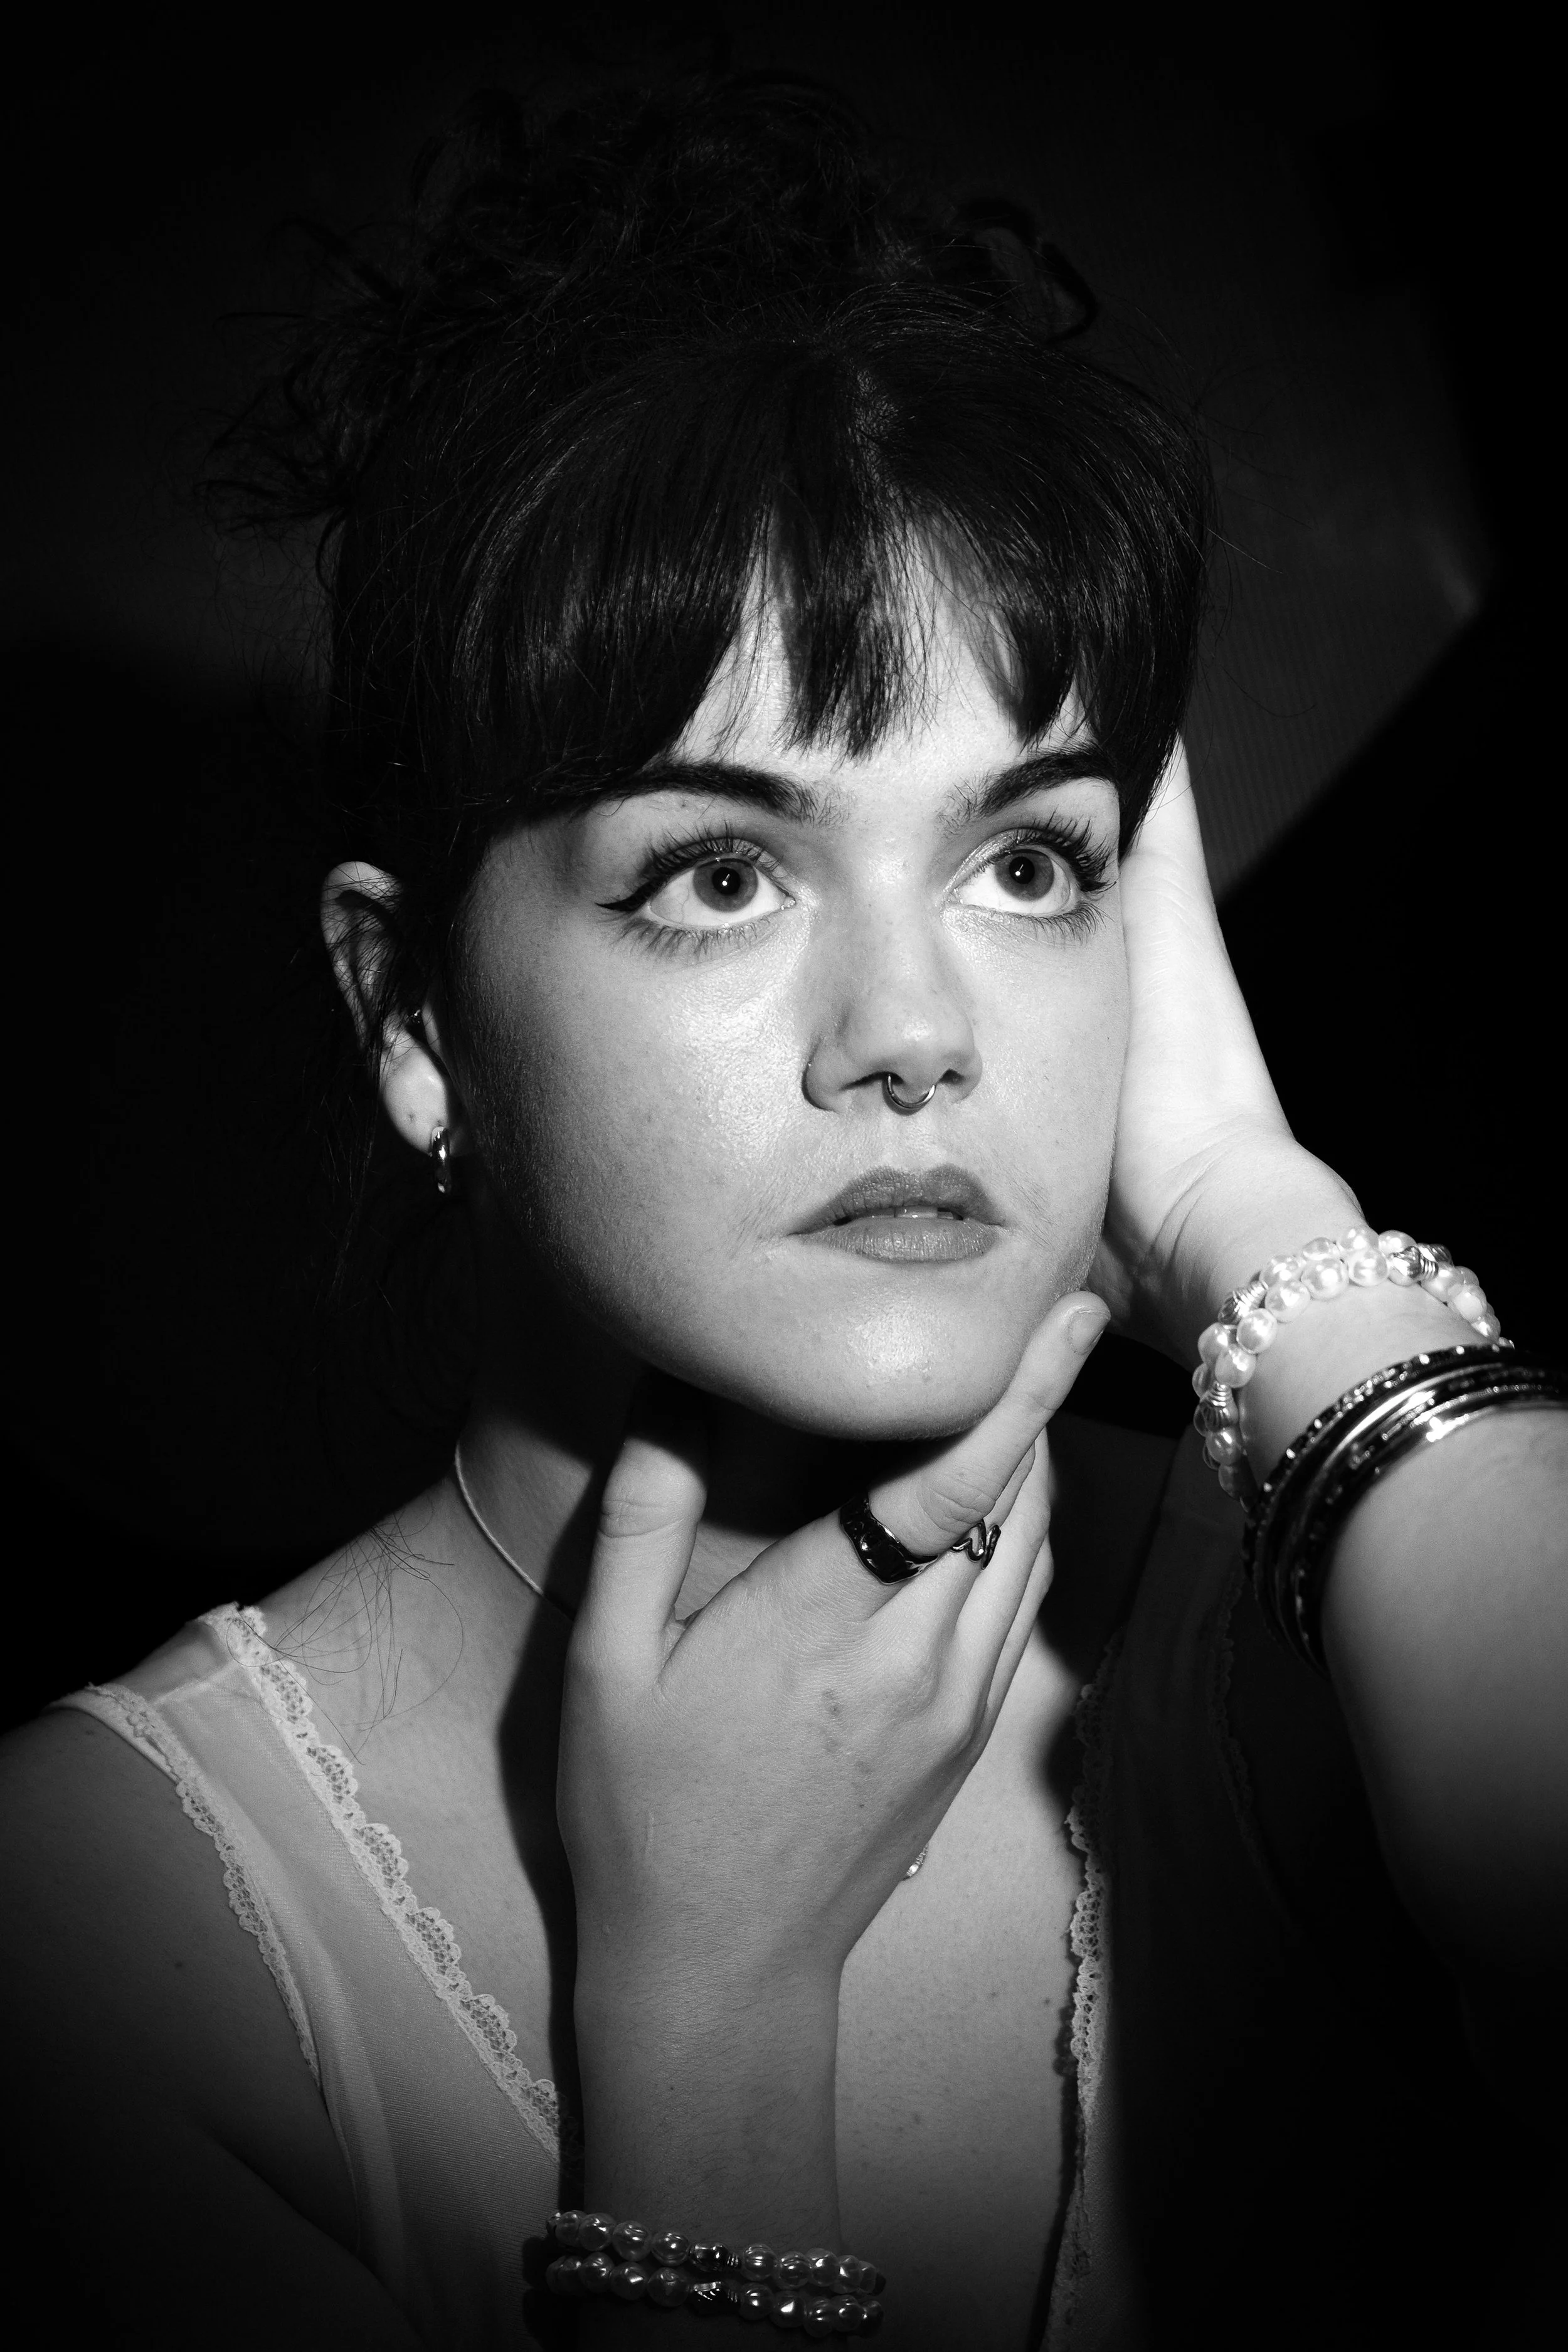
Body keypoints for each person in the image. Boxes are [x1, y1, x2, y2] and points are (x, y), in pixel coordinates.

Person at [2, 73, 1562, 2352]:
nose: (913, 1032)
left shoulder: (1342, 1625)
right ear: (411, 1009)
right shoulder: (96, 1938)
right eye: (722, 872)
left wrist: (1253, 1213)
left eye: (1025, 862)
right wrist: (708, 2016)